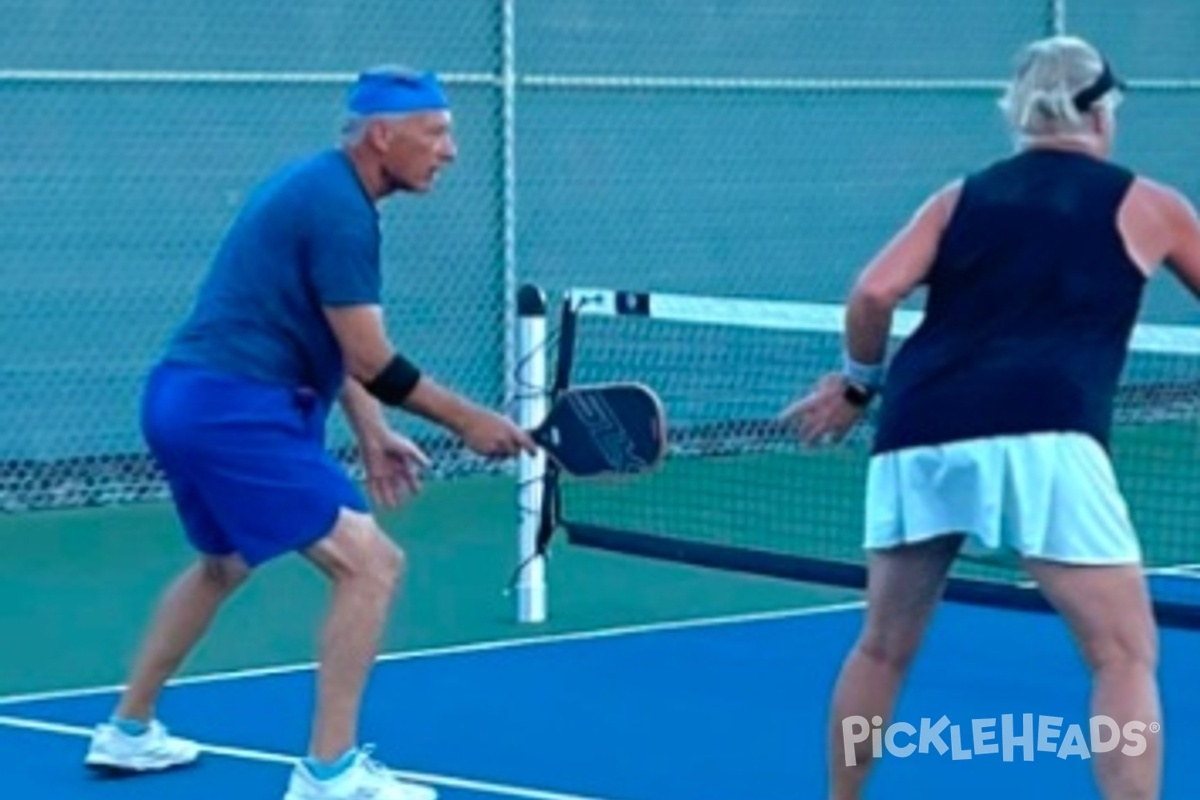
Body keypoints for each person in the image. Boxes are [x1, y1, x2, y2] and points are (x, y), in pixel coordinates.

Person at [82, 65, 535, 800]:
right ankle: (330, 773)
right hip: (235, 409)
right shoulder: (340, 211)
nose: (449, 151)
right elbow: (367, 354)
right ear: (383, 136)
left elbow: (331, 342)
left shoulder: (322, 188)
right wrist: (468, 419)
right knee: (371, 566)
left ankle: (127, 731)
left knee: (222, 565)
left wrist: (374, 428)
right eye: (437, 132)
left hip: (182, 397)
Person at [780, 36, 1200, 800]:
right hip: (1047, 433)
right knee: (1124, 657)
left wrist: (857, 386)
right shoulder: (1152, 205)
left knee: (881, 649)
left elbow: (874, 293)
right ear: (1101, 113)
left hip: (918, 430)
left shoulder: (957, 199)